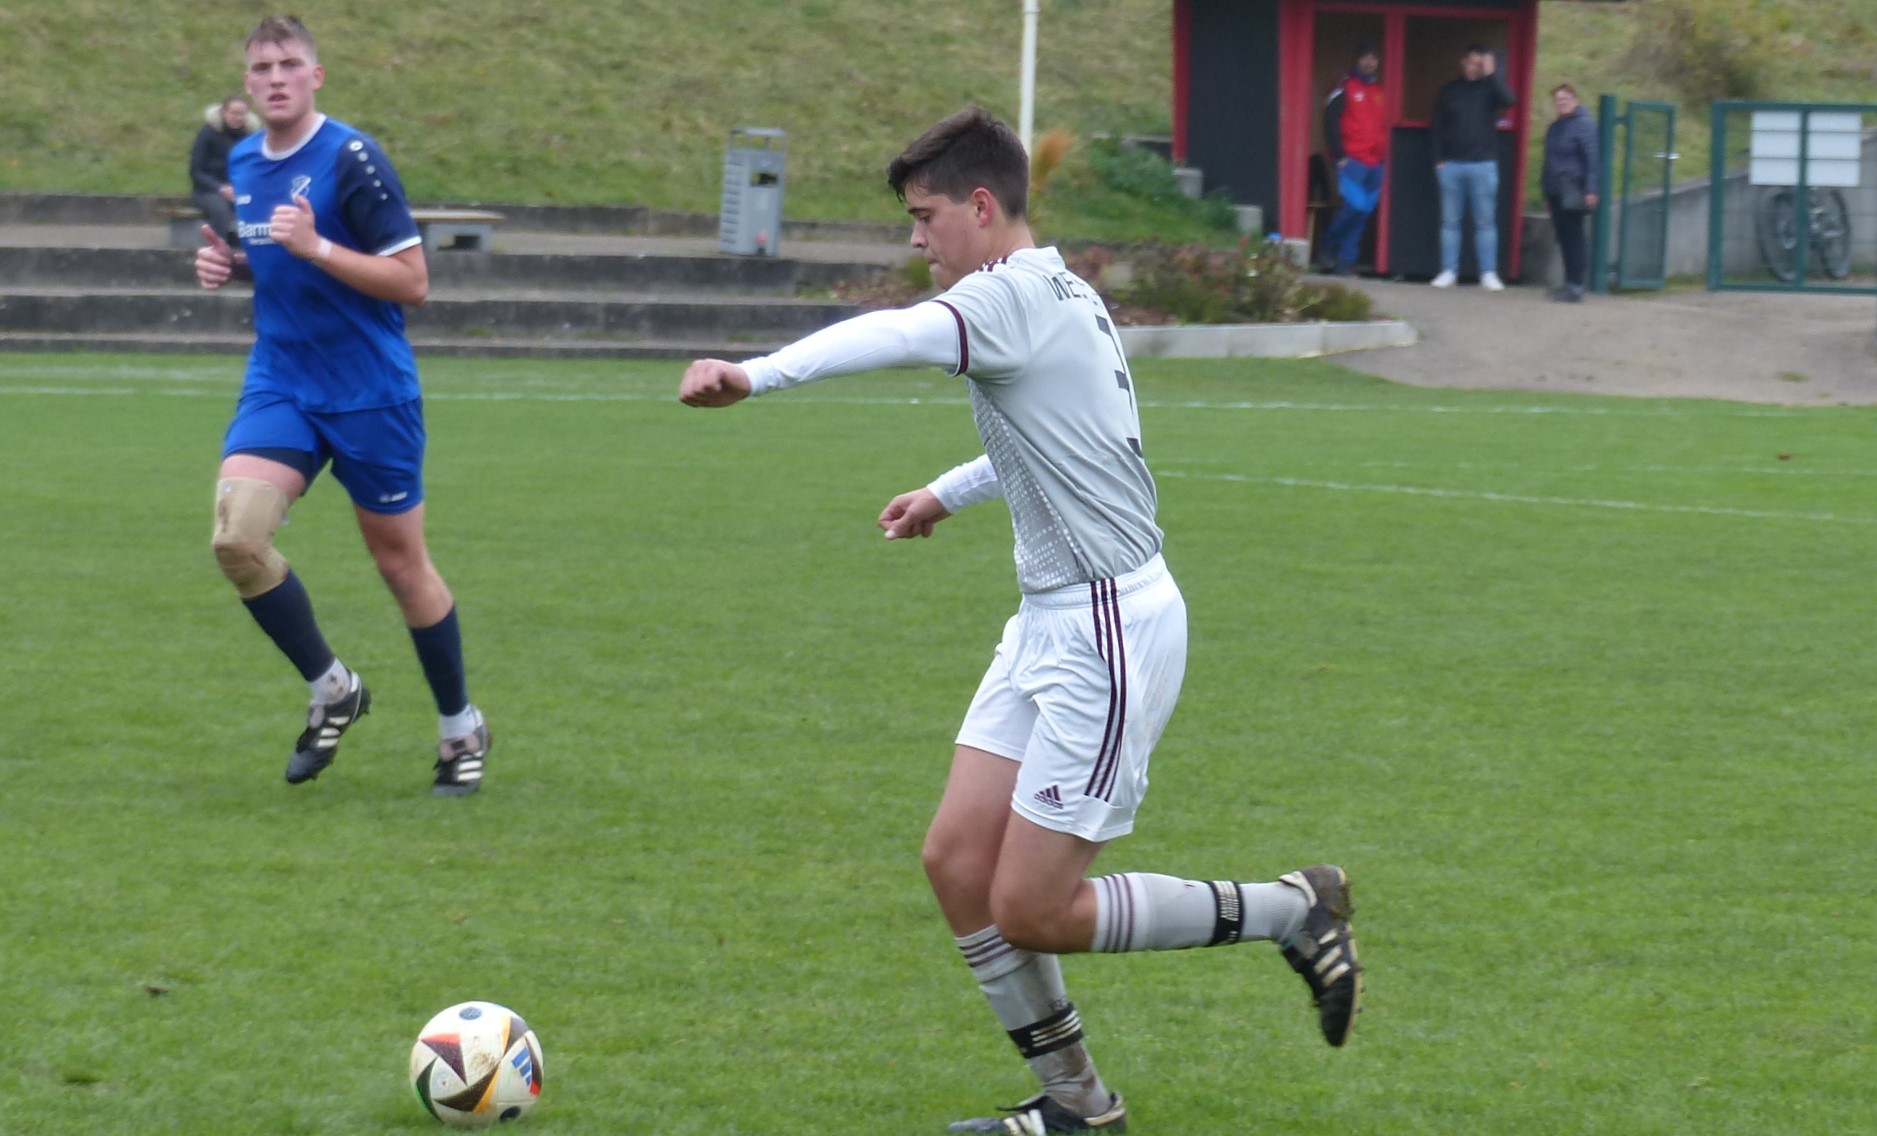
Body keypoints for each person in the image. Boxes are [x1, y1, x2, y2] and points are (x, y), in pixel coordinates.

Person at [678, 106, 1361, 1135]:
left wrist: (755, 373)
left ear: (980, 206)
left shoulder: (1005, 297)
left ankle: (1290, 909)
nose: (918, 240)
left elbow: (896, 334)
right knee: (957, 863)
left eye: (924, 217)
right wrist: (946, 492)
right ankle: (1077, 1104)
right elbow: (1053, 439)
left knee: (1033, 908)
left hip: (1108, 629)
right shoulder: (1057, 292)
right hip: (1048, 621)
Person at [193, 14, 490, 796]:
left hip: (367, 391)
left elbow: (414, 283)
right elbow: (277, 260)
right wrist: (230, 265)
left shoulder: (352, 157)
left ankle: (460, 727)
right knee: (236, 539)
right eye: (261, 68)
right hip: (282, 379)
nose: (275, 79)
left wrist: (317, 246)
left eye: (289, 64)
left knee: (400, 566)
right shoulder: (244, 159)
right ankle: (333, 689)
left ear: (315, 76)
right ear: (246, 83)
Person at [1430, 44, 1516, 290]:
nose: (1475, 68)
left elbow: (1510, 100)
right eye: (1472, 62)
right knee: (1450, 222)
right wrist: (1438, 160)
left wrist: (1492, 74)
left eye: (1480, 64)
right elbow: (1437, 126)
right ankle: (1449, 271)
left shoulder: (1490, 89)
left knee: (1485, 222)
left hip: (1483, 164)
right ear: (1463, 61)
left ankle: (1488, 273)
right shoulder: (1449, 90)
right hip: (1451, 164)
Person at [1320, 45, 1387, 277]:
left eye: (1373, 58)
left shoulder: (1379, 92)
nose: (1370, 62)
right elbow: (1330, 122)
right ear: (1358, 60)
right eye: (1366, 58)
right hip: (1352, 160)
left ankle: (1345, 262)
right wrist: (1340, 156)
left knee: (1363, 213)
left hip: (1376, 162)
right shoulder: (1344, 89)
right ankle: (1327, 245)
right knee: (1354, 207)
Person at [1541, 83, 1601, 303]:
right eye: (1558, 99)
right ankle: (1568, 283)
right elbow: (1548, 161)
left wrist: (1591, 189)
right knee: (1564, 238)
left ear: (1575, 101)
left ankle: (1576, 286)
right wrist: (1546, 192)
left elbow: (1592, 159)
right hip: (1555, 189)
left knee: (1574, 237)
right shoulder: (1554, 128)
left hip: (1574, 188)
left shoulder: (1584, 125)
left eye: (1565, 99)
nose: (1561, 103)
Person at [190, 94, 256, 244]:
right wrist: (220, 188)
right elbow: (196, 171)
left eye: (242, 114)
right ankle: (217, 248)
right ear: (223, 113)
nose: (238, 118)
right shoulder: (207, 133)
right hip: (207, 191)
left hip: (238, 189)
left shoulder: (250, 136)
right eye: (234, 113)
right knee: (220, 210)